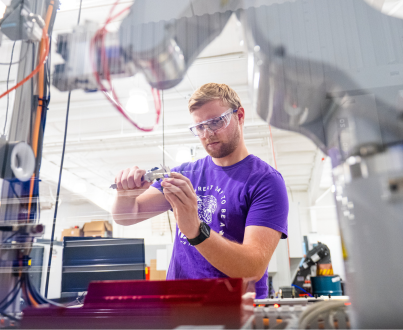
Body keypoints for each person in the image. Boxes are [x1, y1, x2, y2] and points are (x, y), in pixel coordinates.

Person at [112, 83, 289, 298]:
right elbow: (126, 216)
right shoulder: (184, 174)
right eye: (200, 127)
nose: (208, 133)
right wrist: (125, 193)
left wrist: (196, 229)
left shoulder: (265, 181)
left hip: (235, 313)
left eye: (216, 122)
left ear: (240, 116)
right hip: (180, 306)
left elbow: (253, 267)